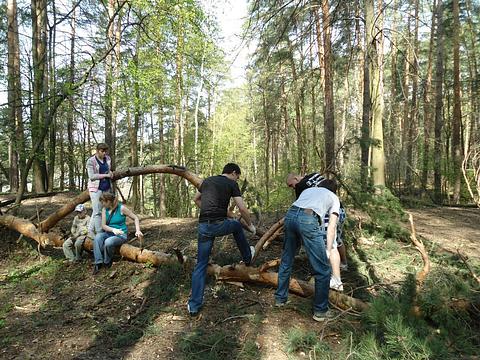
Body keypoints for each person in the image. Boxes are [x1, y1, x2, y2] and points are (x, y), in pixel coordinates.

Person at [187, 163, 256, 316]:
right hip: (218, 225)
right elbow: (242, 208)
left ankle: (194, 306)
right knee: (237, 226)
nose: (237, 179)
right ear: (233, 173)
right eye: (237, 176)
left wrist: (212, 210)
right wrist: (250, 225)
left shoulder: (208, 181)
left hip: (204, 226)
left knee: (201, 264)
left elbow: (196, 199)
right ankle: (248, 257)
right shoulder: (231, 183)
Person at [275, 179, 340, 322]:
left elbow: (298, 210)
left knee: (287, 260)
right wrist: (328, 250)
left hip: (290, 216)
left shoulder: (309, 190)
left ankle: (280, 299)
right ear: (334, 190)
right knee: (323, 270)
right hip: (308, 219)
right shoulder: (334, 198)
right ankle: (320, 311)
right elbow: (332, 228)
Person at [287, 172, 348, 288]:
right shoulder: (313, 175)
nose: (293, 187)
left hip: (328, 212)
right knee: (337, 239)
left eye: (291, 185)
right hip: (340, 210)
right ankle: (343, 265)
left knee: (330, 245)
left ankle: (334, 279)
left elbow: (304, 208)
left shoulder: (302, 187)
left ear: (295, 178)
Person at [92, 192, 143, 275]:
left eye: (103, 202)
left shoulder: (121, 208)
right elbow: (104, 226)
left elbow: (135, 217)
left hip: (121, 234)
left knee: (108, 242)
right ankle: (98, 262)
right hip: (110, 232)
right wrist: (113, 230)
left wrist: (138, 230)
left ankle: (107, 261)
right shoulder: (105, 210)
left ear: (108, 201)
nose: (102, 204)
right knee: (98, 237)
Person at [87, 143, 113, 238]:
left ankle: (90, 230)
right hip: (95, 189)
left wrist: (110, 173)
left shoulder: (108, 159)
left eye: (105, 151)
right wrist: (105, 175)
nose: (104, 153)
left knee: (102, 209)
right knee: (97, 212)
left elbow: (108, 170)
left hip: (106, 187)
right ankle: (99, 234)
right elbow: (92, 176)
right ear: (97, 151)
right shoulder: (91, 161)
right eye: (102, 151)